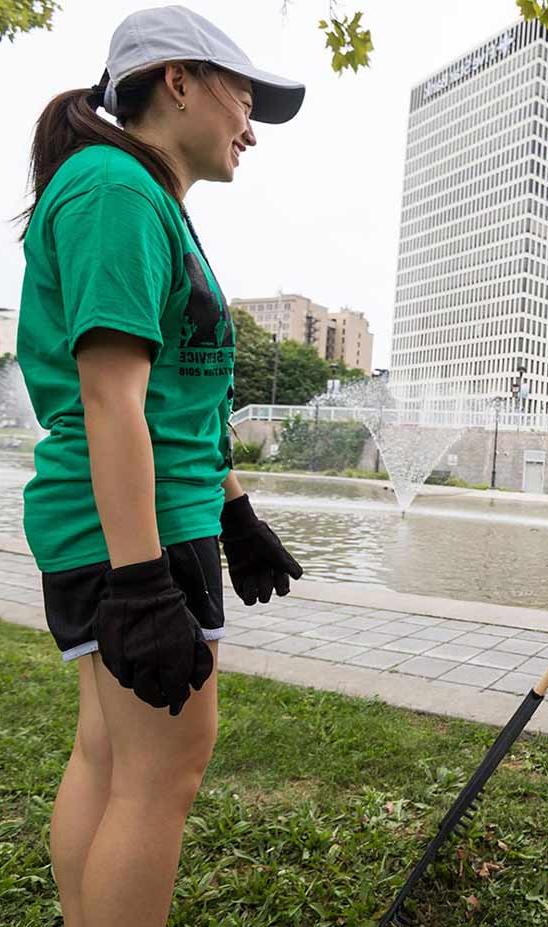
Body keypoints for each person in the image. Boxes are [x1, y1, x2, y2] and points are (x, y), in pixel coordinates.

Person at [16, 7, 305, 925]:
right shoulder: (116, 191)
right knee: (160, 776)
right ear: (178, 80)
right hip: (127, 538)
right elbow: (111, 399)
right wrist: (144, 582)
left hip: (138, 522)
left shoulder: (140, 194)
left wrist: (233, 509)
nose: (250, 127)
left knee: (108, 756)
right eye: (243, 98)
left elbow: (179, 394)